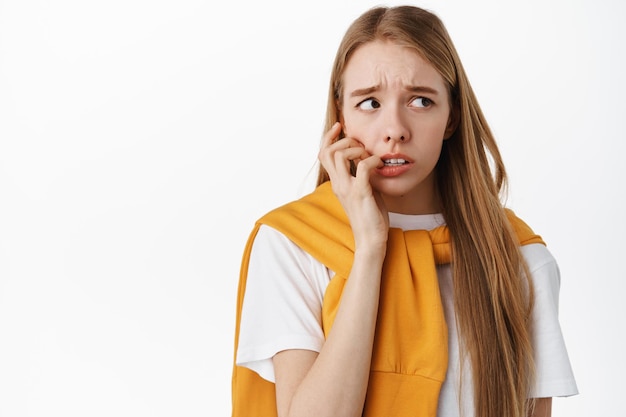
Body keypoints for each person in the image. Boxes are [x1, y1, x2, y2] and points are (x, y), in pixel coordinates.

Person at [231, 5, 578, 417]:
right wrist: (370, 250)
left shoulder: (519, 259)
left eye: (420, 100)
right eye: (370, 103)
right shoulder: (291, 244)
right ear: (340, 116)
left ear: (451, 116)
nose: (394, 128)